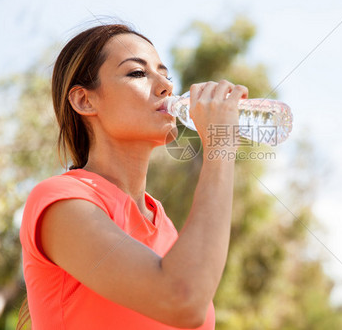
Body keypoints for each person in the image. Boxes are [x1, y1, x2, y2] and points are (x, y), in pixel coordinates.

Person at [19, 23, 248, 329]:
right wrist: (220, 147)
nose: (166, 86)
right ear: (84, 101)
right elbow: (183, 300)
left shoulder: (163, 225)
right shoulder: (61, 200)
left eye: (165, 74)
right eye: (138, 73)